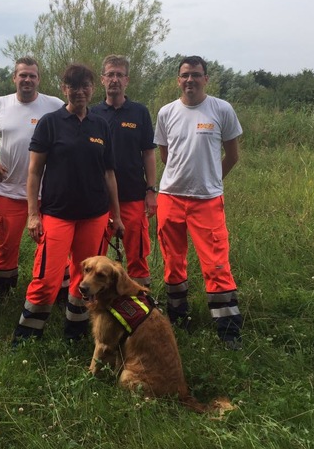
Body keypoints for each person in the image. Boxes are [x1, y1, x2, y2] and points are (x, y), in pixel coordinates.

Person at [13, 63, 125, 344]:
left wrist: (117, 215)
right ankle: (26, 337)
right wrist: (33, 214)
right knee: (47, 278)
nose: (80, 91)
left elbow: (109, 173)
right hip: (57, 214)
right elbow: (34, 172)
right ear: (64, 89)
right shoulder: (50, 123)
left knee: (85, 278)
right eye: (73, 86)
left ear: (92, 88)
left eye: (85, 85)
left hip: (95, 215)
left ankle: (75, 333)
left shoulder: (101, 125)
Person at [154, 55, 244, 350]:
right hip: (170, 197)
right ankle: (178, 318)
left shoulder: (221, 109)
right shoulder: (166, 112)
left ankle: (228, 330)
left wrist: (213, 179)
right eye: (184, 75)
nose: (189, 80)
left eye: (195, 74)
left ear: (206, 78)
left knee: (217, 263)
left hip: (207, 200)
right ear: (178, 80)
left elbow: (232, 155)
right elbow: (166, 156)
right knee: (173, 261)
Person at [0, 57, 66, 299]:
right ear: (14, 78)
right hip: (9, 190)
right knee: (7, 244)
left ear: (39, 80)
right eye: (22, 75)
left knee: (49, 245)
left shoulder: (54, 105)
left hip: (48, 191)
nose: (27, 79)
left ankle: (50, 290)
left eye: (32, 75)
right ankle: (2, 291)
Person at [92, 55, 157, 288]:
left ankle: (141, 301)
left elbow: (149, 153)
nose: (115, 80)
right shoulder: (92, 113)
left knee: (137, 254)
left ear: (127, 80)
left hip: (133, 195)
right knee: (97, 255)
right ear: (102, 80)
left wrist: (151, 190)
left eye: (120, 75)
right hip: (99, 198)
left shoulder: (139, 112)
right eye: (110, 74)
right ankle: (96, 302)